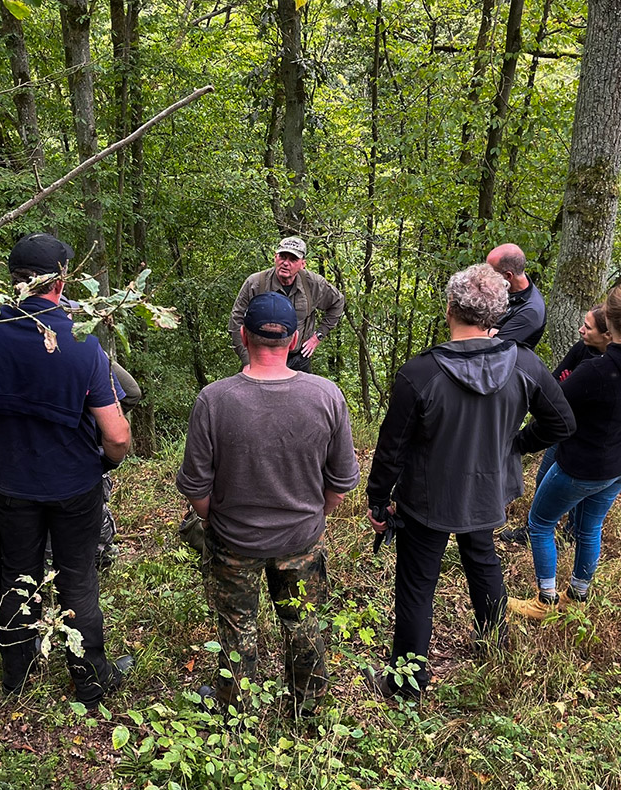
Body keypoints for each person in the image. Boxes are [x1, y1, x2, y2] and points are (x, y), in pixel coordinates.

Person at [0, 232, 133, 707]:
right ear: (61, 281)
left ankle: (18, 677)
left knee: (17, 576)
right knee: (77, 578)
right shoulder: (81, 344)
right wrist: (105, 462)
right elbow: (117, 435)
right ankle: (90, 681)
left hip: (8, 485)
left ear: (12, 278)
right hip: (75, 483)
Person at [365, 264, 574, 698]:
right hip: (486, 491)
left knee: (417, 584)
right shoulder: (525, 364)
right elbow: (561, 422)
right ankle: (495, 649)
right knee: (483, 562)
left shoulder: (420, 373)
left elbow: (392, 449)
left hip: (427, 497)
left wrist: (378, 499)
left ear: (450, 309)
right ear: (496, 315)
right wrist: (513, 446)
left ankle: (405, 685)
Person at [177, 292, 360, 715]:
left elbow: (197, 488)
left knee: (237, 628)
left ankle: (235, 709)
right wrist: (314, 517)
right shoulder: (326, 395)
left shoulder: (214, 400)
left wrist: (212, 521)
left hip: (233, 541)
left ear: (244, 336)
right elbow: (340, 483)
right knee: (304, 624)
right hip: (302, 538)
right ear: (294, 340)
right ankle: (308, 707)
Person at [508, 283, 621, 619]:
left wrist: (517, 443)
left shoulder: (597, 370)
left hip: (588, 465)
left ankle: (545, 602)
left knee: (540, 523)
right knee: (590, 527)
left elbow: (553, 413)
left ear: (609, 319)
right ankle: (578, 596)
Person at [500, 305, 612, 546]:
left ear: (607, 335)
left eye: (588, 327)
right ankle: (533, 529)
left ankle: (570, 533)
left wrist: (569, 388)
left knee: (581, 493)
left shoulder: (612, 365)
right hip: (561, 430)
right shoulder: (581, 349)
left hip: (588, 440)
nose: (581, 329)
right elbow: (553, 386)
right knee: (544, 480)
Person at [229, 236, 346, 372]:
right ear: (275, 257)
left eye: (293, 259)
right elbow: (236, 319)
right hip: (259, 358)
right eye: (282, 257)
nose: (286, 263)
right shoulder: (256, 283)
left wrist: (318, 336)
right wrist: (247, 360)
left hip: (298, 359)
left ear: (303, 264)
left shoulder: (313, 284)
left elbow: (338, 302)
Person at [486, 243, 546, 350]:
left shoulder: (531, 311)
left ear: (508, 275)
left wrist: (483, 331)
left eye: (490, 272)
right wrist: (490, 332)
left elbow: (494, 347)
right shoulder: (502, 286)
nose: (486, 276)